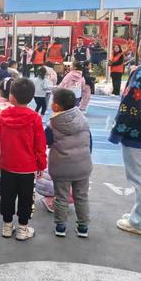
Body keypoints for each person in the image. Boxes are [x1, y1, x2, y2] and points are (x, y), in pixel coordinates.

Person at [0, 78, 47, 241]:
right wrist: (41, 164)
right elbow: (40, 144)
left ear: (11, 96)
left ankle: (7, 225)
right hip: (27, 166)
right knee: (26, 198)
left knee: (7, 195)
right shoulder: (35, 118)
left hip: (7, 164)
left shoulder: (3, 116)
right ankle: (22, 228)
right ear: (32, 97)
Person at [109, 36, 141, 236]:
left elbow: (130, 104)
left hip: (138, 133)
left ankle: (140, 221)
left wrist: (117, 132)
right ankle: (138, 214)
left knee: (139, 178)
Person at [46, 89, 92, 238]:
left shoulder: (53, 125)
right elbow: (89, 144)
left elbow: (45, 142)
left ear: (57, 107)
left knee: (61, 196)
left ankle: (60, 227)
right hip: (83, 166)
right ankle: (83, 227)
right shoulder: (84, 121)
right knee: (82, 196)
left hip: (62, 167)